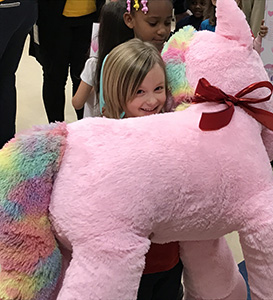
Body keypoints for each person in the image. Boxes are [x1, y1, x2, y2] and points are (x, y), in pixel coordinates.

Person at [96, 2, 183, 299]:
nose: (152, 100)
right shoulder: (109, 143)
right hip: (131, 266)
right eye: (139, 92)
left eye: (159, 89)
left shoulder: (170, 130)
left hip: (171, 258)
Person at [30, 0, 105, 123]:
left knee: (84, 77)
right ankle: (56, 130)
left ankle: (84, 128)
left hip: (90, 16)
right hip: (51, 17)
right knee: (54, 78)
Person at [72, 0, 133, 118]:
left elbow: (77, 102)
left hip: (96, 128)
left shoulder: (94, 64)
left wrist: (93, 86)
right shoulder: (133, 62)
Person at [0, 0, 37, 149]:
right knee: (6, 77)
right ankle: (6, 146)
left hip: (5, 8)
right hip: (26, 8)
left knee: (6, 77)